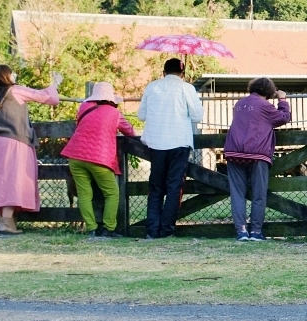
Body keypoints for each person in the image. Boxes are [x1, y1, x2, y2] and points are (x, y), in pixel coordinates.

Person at [0, 66, 62, 234]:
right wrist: (55, 83)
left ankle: (6, 219)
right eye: (11, 72)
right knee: (14, 179)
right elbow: (48, 97)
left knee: (1, 178)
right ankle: (6, 223)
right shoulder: (16, 90)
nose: (14, 75)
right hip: (15, 140)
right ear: (6, 76)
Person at [60, 82, 137, 238]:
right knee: (112, 193)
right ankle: (108, 229)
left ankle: (92, 229)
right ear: (111, 98)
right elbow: (129, 131)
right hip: (99, 157)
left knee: (84, 194)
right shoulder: (114, 113)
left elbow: (80, 124)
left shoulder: (83, 107)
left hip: (75, 155)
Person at [138, 58, 204, 239]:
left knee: (156, 187)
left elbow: (141, 115)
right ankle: (167, 229)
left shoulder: (152, 87)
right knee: (174, 186)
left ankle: (152, 230)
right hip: (179, 141)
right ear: (182, 74)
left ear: (163, 72)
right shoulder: (186, 88)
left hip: (156, 142)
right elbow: (197, 116)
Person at [224, 78, 292, 242]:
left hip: (234, 152)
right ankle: (255, 231)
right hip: (257, 153)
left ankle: (241, 231)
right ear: (270, 91)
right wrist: (282, 100)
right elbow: (284, 118)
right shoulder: (265, 106)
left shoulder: (239, 104)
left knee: (237, 194)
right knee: (259, 194)